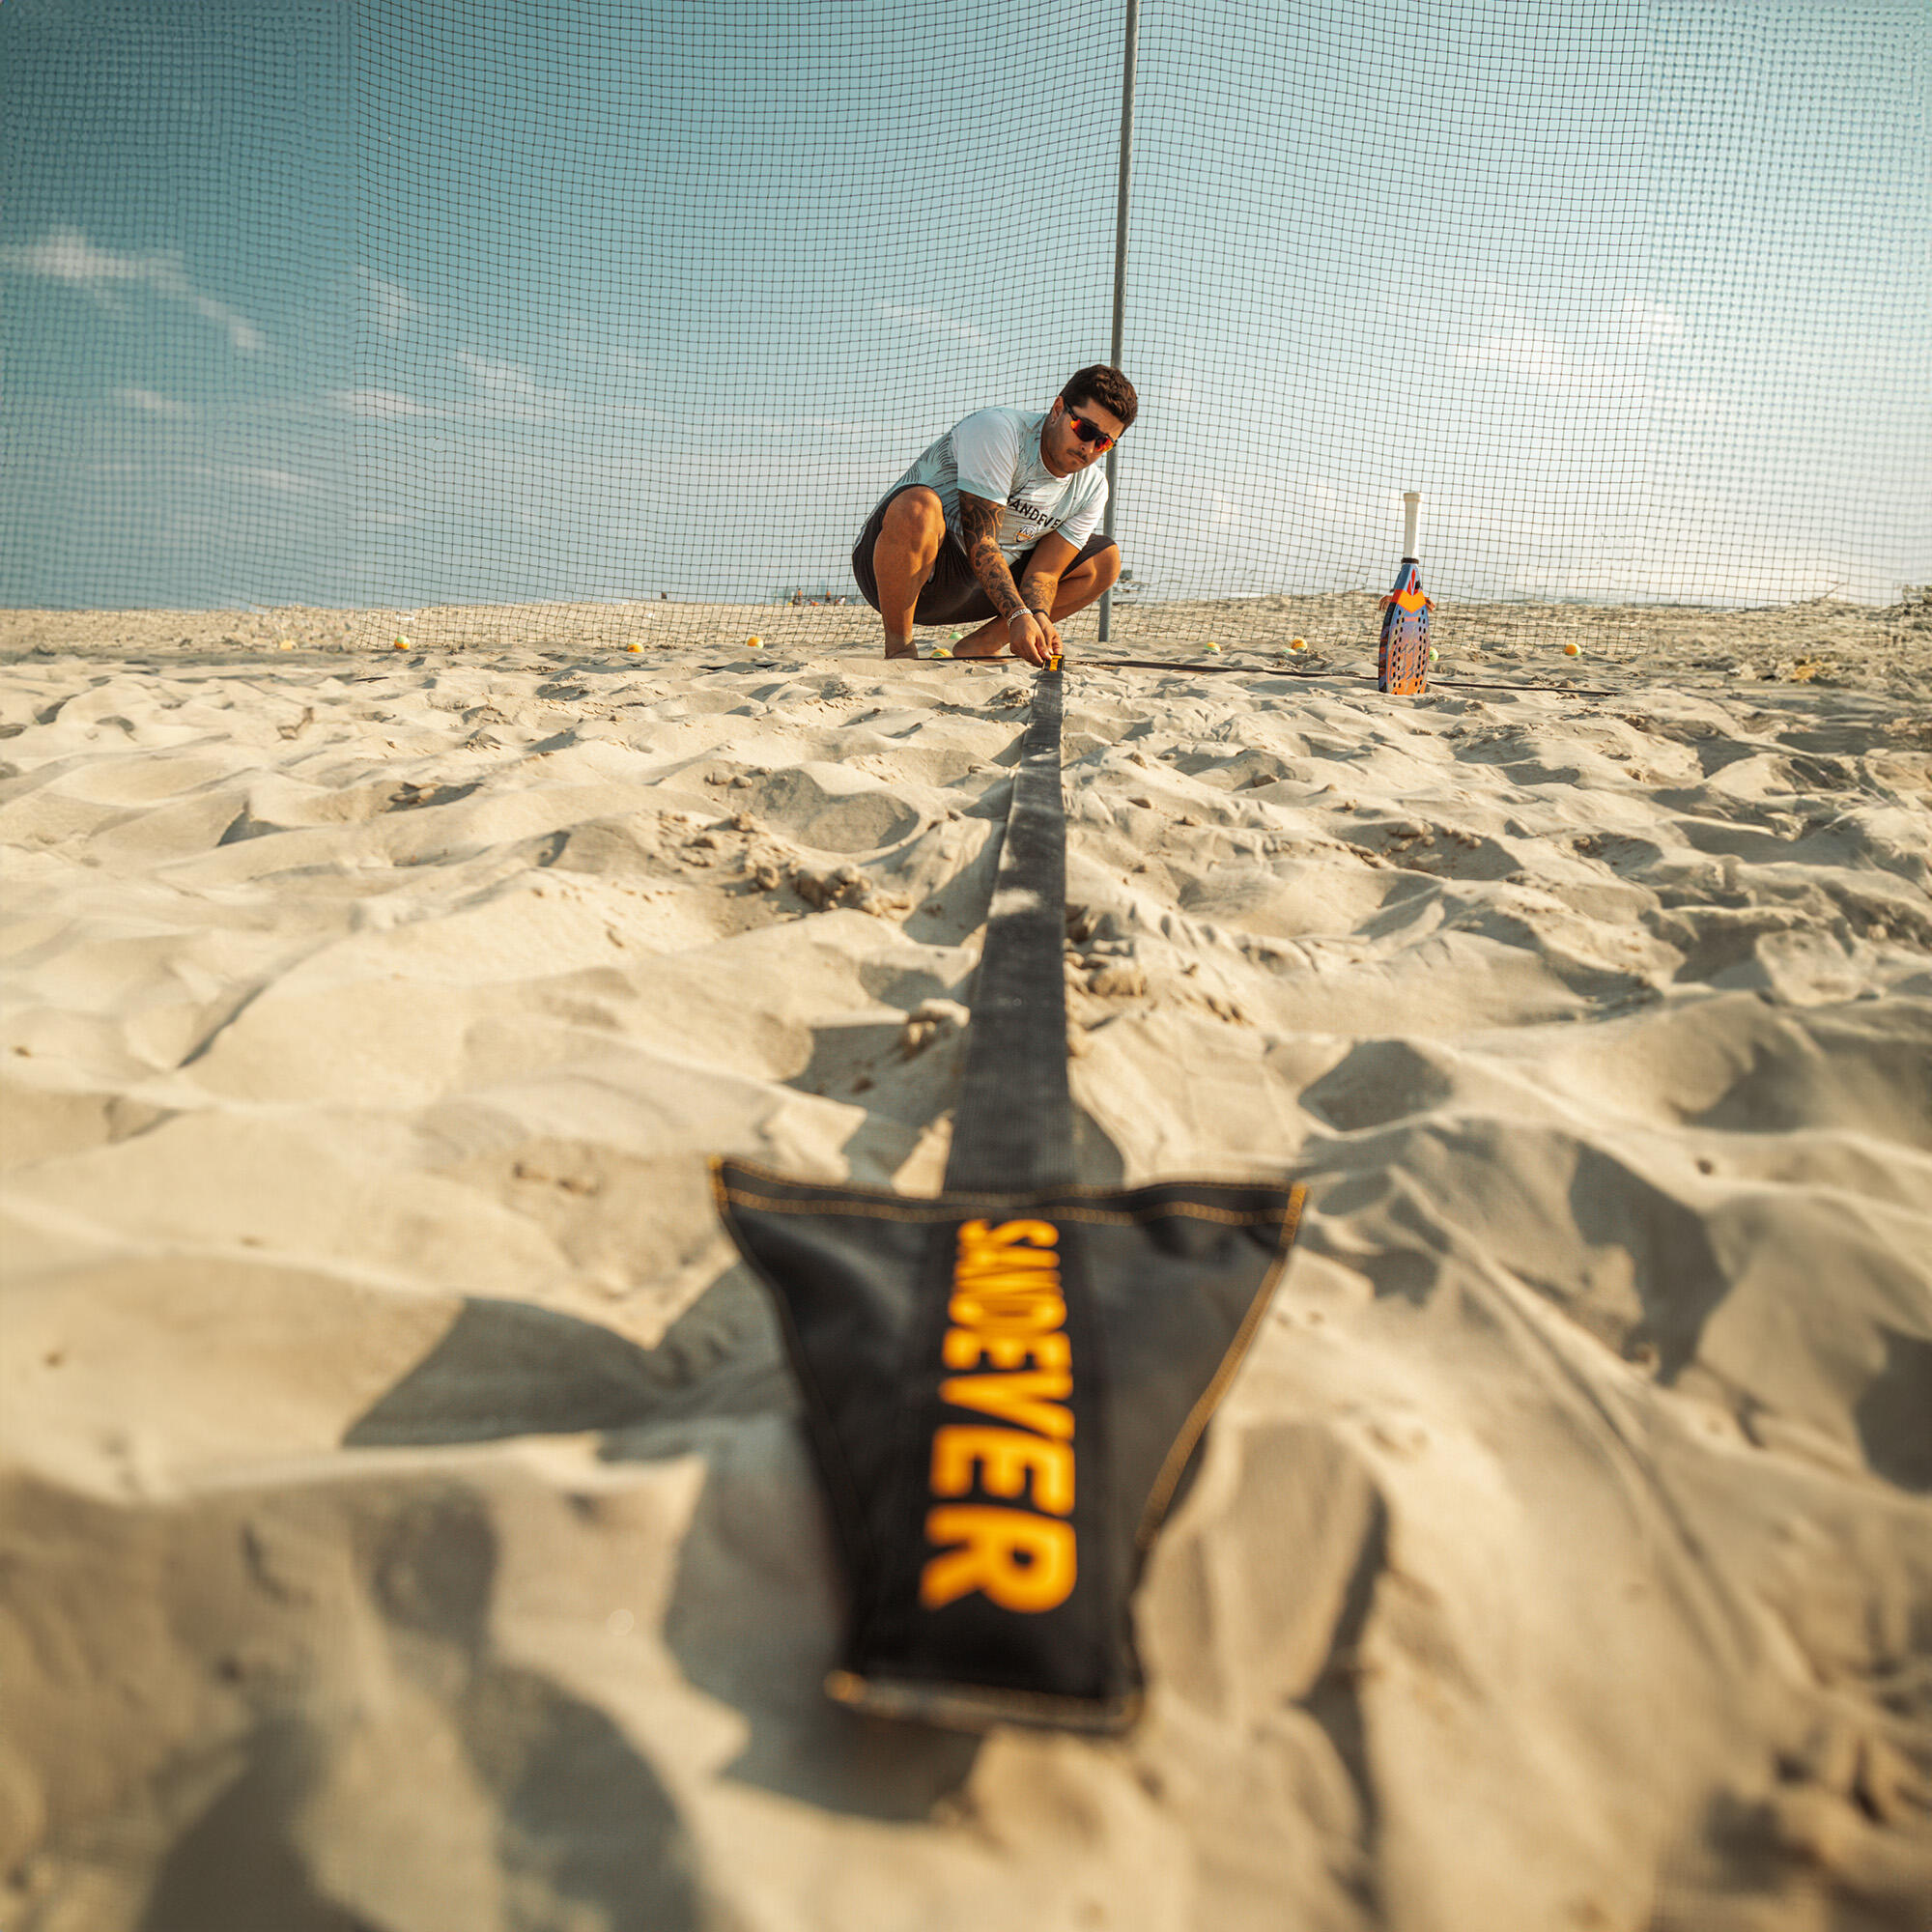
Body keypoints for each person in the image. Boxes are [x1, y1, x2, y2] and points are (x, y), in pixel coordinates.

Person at [852, 365, 1135, 665]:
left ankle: (983, 643)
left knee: (1106, 560)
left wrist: (1038, 617)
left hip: (976, 591)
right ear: (1057, 408)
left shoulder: (1092, 488)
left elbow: (1045, 573)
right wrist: (1017, 613)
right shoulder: (1000, 431)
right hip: (901, 572)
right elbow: (981, 538)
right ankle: (899, 648)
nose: (1088, 448)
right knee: (917, 506)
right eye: (1085, 430)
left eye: (1103, 443)